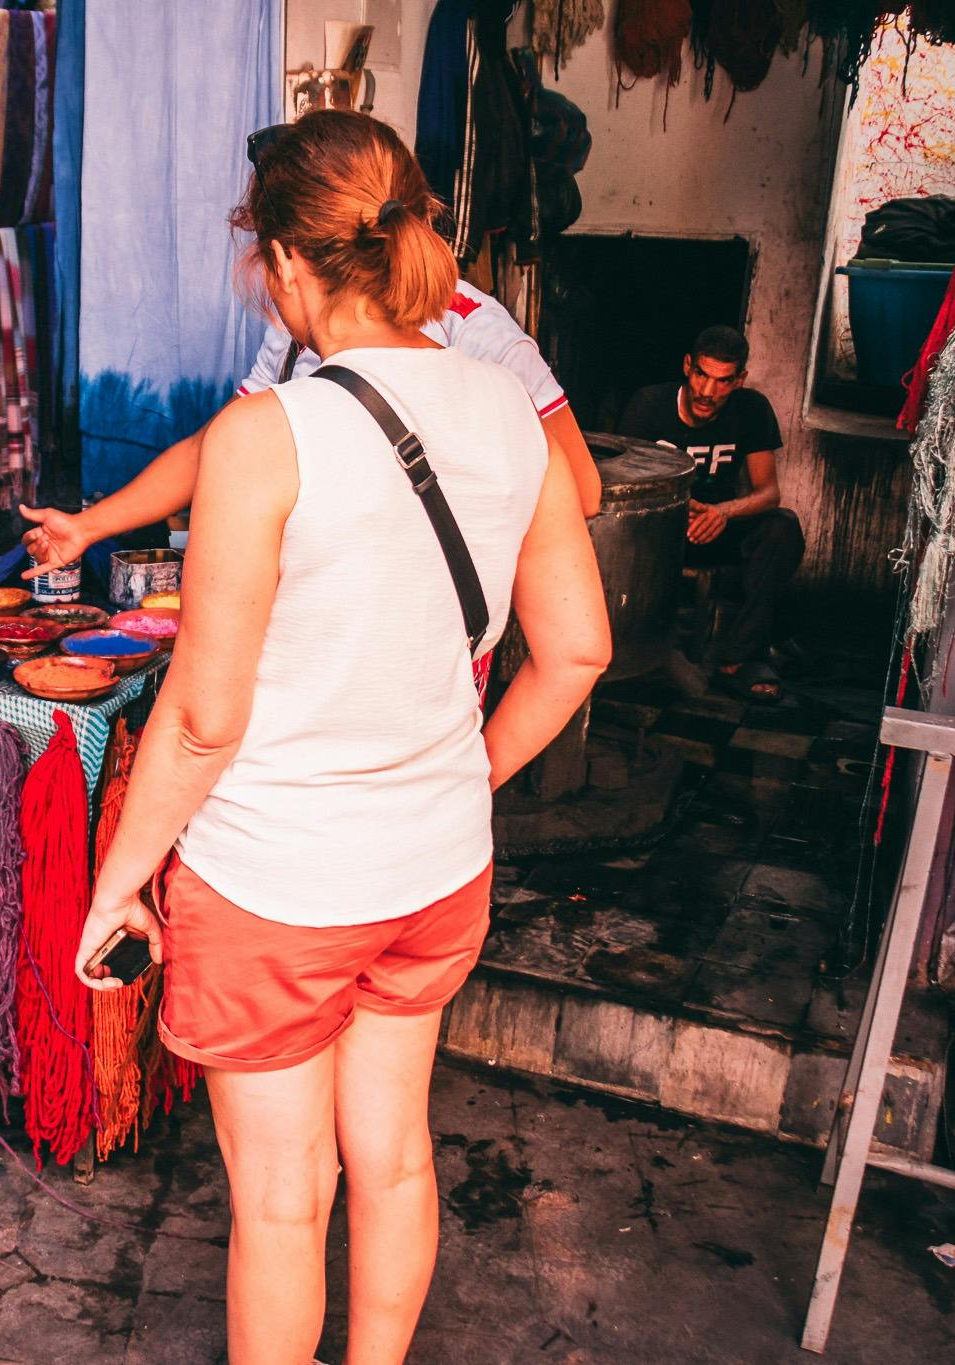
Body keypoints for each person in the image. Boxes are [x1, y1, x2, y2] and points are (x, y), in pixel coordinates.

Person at [75, 110, 609, 1365]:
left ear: (280, 264)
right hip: (434, 873)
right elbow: (576, 649)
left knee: (278, 1196)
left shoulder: (268, 435)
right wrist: (459, 778)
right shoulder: (502, 409)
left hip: (274, 883)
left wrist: (114, 884)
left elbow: (205, 720)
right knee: (396, 1157)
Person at [19, 128, 599, 582]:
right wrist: (87, 527)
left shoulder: (482, 338)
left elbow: (583, 489)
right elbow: (211, 448)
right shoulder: (299, 327)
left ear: (289, 259)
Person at [617, 325, 803, 702]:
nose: (707, 392)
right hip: (659, 529)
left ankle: (738, 659)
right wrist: (675, 511)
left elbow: (769, 493)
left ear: (739, 379)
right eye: (702, 375)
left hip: (716, 527)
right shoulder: (649, 405)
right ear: (688, 366)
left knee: (783, 528)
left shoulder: (751, 409)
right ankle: (631, 648)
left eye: (722, 381)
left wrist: (722, 512)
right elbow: (623, 482)